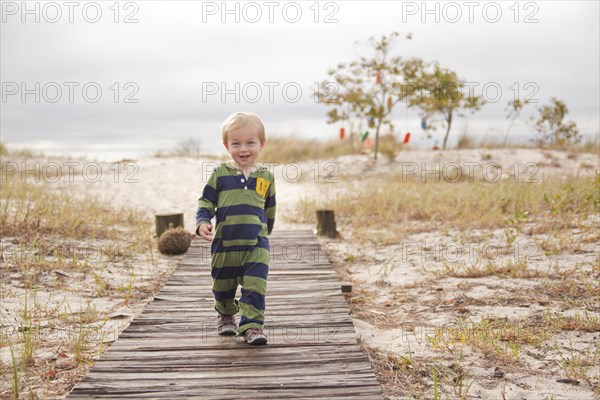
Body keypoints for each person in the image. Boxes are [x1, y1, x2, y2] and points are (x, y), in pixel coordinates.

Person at [196, 112, 276, 345]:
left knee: (255, 286)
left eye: (250, 143)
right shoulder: (221, 174)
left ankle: (252, 325)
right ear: (226, 145)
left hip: (256, 244)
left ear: (261, 144)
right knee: (223, 285)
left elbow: (270, 208)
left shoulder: (266, 176)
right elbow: (206, 201)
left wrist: (264, 233)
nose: (244, 149)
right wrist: (202, 221)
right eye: (236, 143)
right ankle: (226, 314)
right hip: (225, 244)